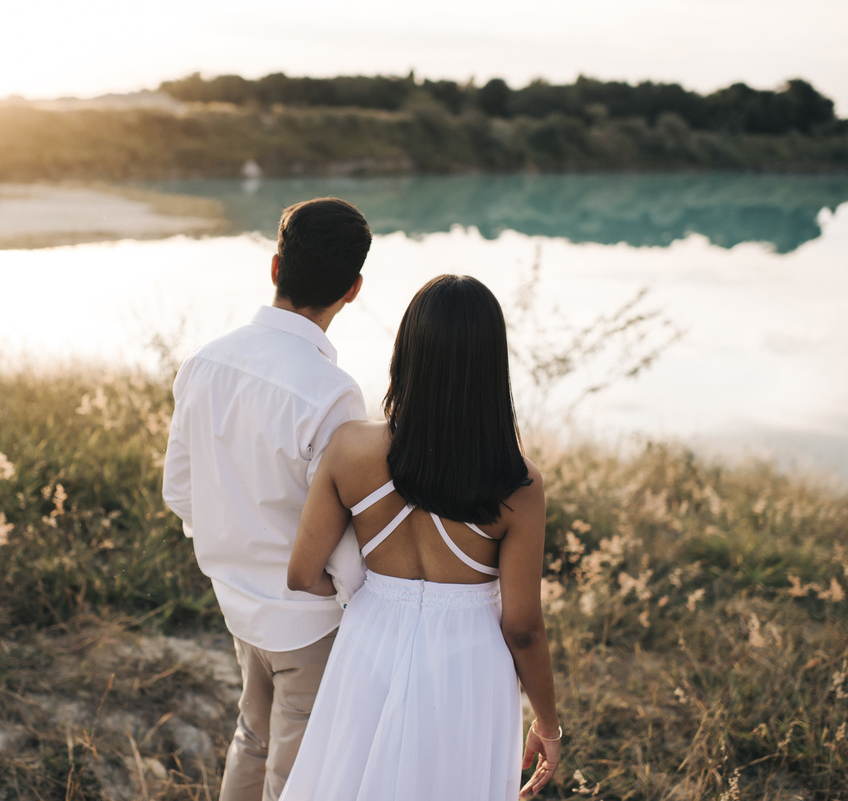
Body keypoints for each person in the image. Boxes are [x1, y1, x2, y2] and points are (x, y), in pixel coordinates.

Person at [280, 275, 562, 800]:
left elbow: (302, 573)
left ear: (407, 351)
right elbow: (523, 627)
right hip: (468, 659)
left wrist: (372, 600)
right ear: (490, 365)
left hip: (369, 640)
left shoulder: (349, 448)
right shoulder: (518, 483)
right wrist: (548, 725)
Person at [162, 197, 374, 801]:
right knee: (297, 769)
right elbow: (339, 531)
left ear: (276, 268)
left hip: (236, 603)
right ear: (353, 290)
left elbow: (179, 491)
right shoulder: (332, 393)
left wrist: (235, 546)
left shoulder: (203, 362)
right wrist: (359, 598)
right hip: (308, 619)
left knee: (252, 737)